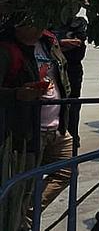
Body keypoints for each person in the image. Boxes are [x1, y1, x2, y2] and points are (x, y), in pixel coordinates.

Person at [0, 21, 75, 229]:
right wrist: (17, 94)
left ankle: (26, 218)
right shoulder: (7, 49)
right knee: (22, 187)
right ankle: (18, 220)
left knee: (66, 171)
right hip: (27, 131)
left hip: (58, 126)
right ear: (19, 26)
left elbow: (62, 78)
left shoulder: (50, 41)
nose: (39, 26)